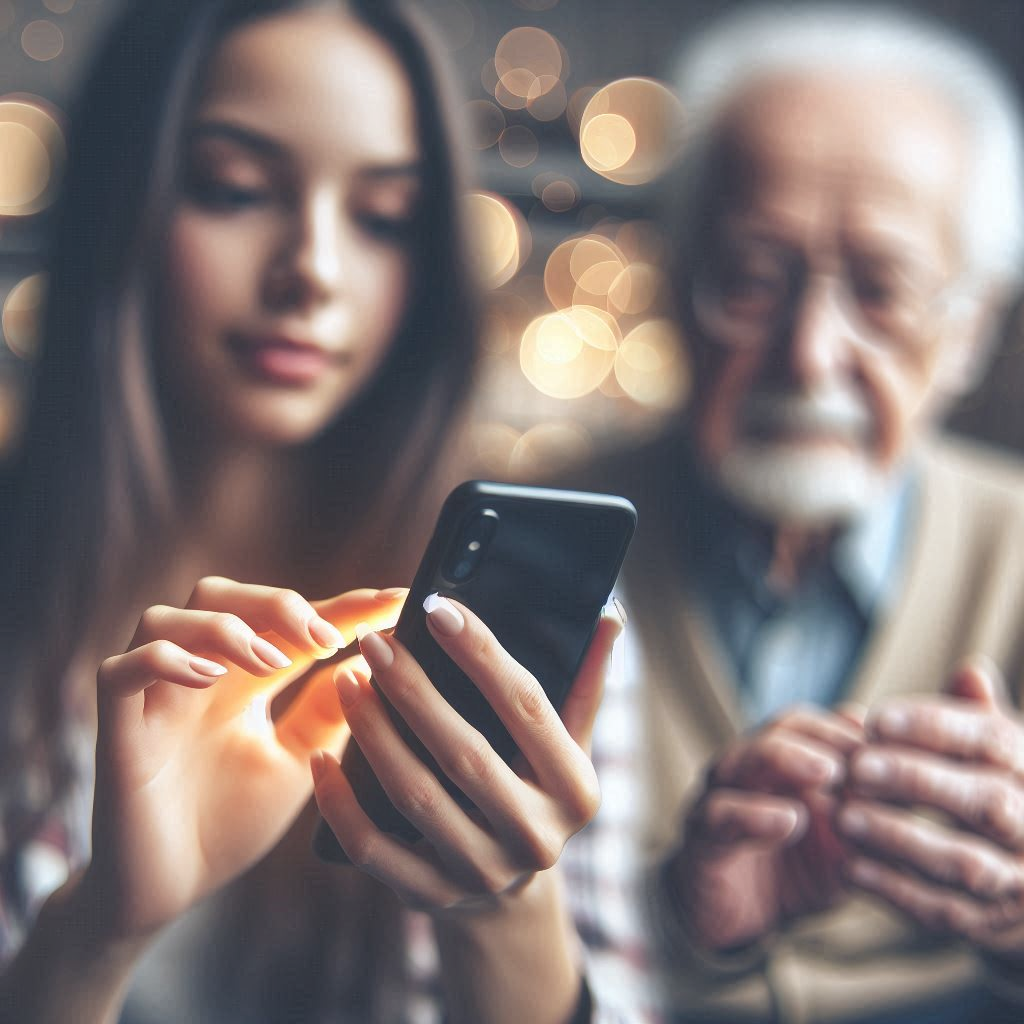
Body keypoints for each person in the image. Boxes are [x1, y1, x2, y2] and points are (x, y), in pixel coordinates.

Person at [0, 2, 623, 1022]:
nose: (313, 272)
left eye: (382, 218)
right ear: (124, 197)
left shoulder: (528, 621)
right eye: (235, 189)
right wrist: (94, 932)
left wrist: (503, 905)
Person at [560, 4, 1024, 1022]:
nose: (811, 352)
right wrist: (676, 920)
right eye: (752, 279)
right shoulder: (552, 542)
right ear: (677, 290)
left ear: (971, 330)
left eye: (883, 287)